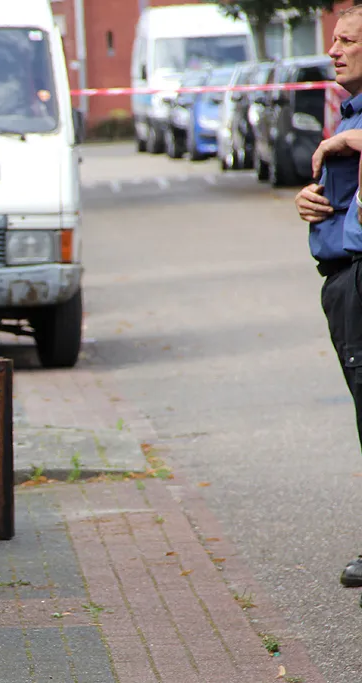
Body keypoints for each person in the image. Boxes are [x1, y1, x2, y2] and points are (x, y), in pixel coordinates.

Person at [295, 5, 362, 593]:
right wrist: (309, 201)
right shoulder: (350, 109)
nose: (334, 51)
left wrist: (347, 138)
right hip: (340, 280)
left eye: (347, 41)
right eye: (333, 41)